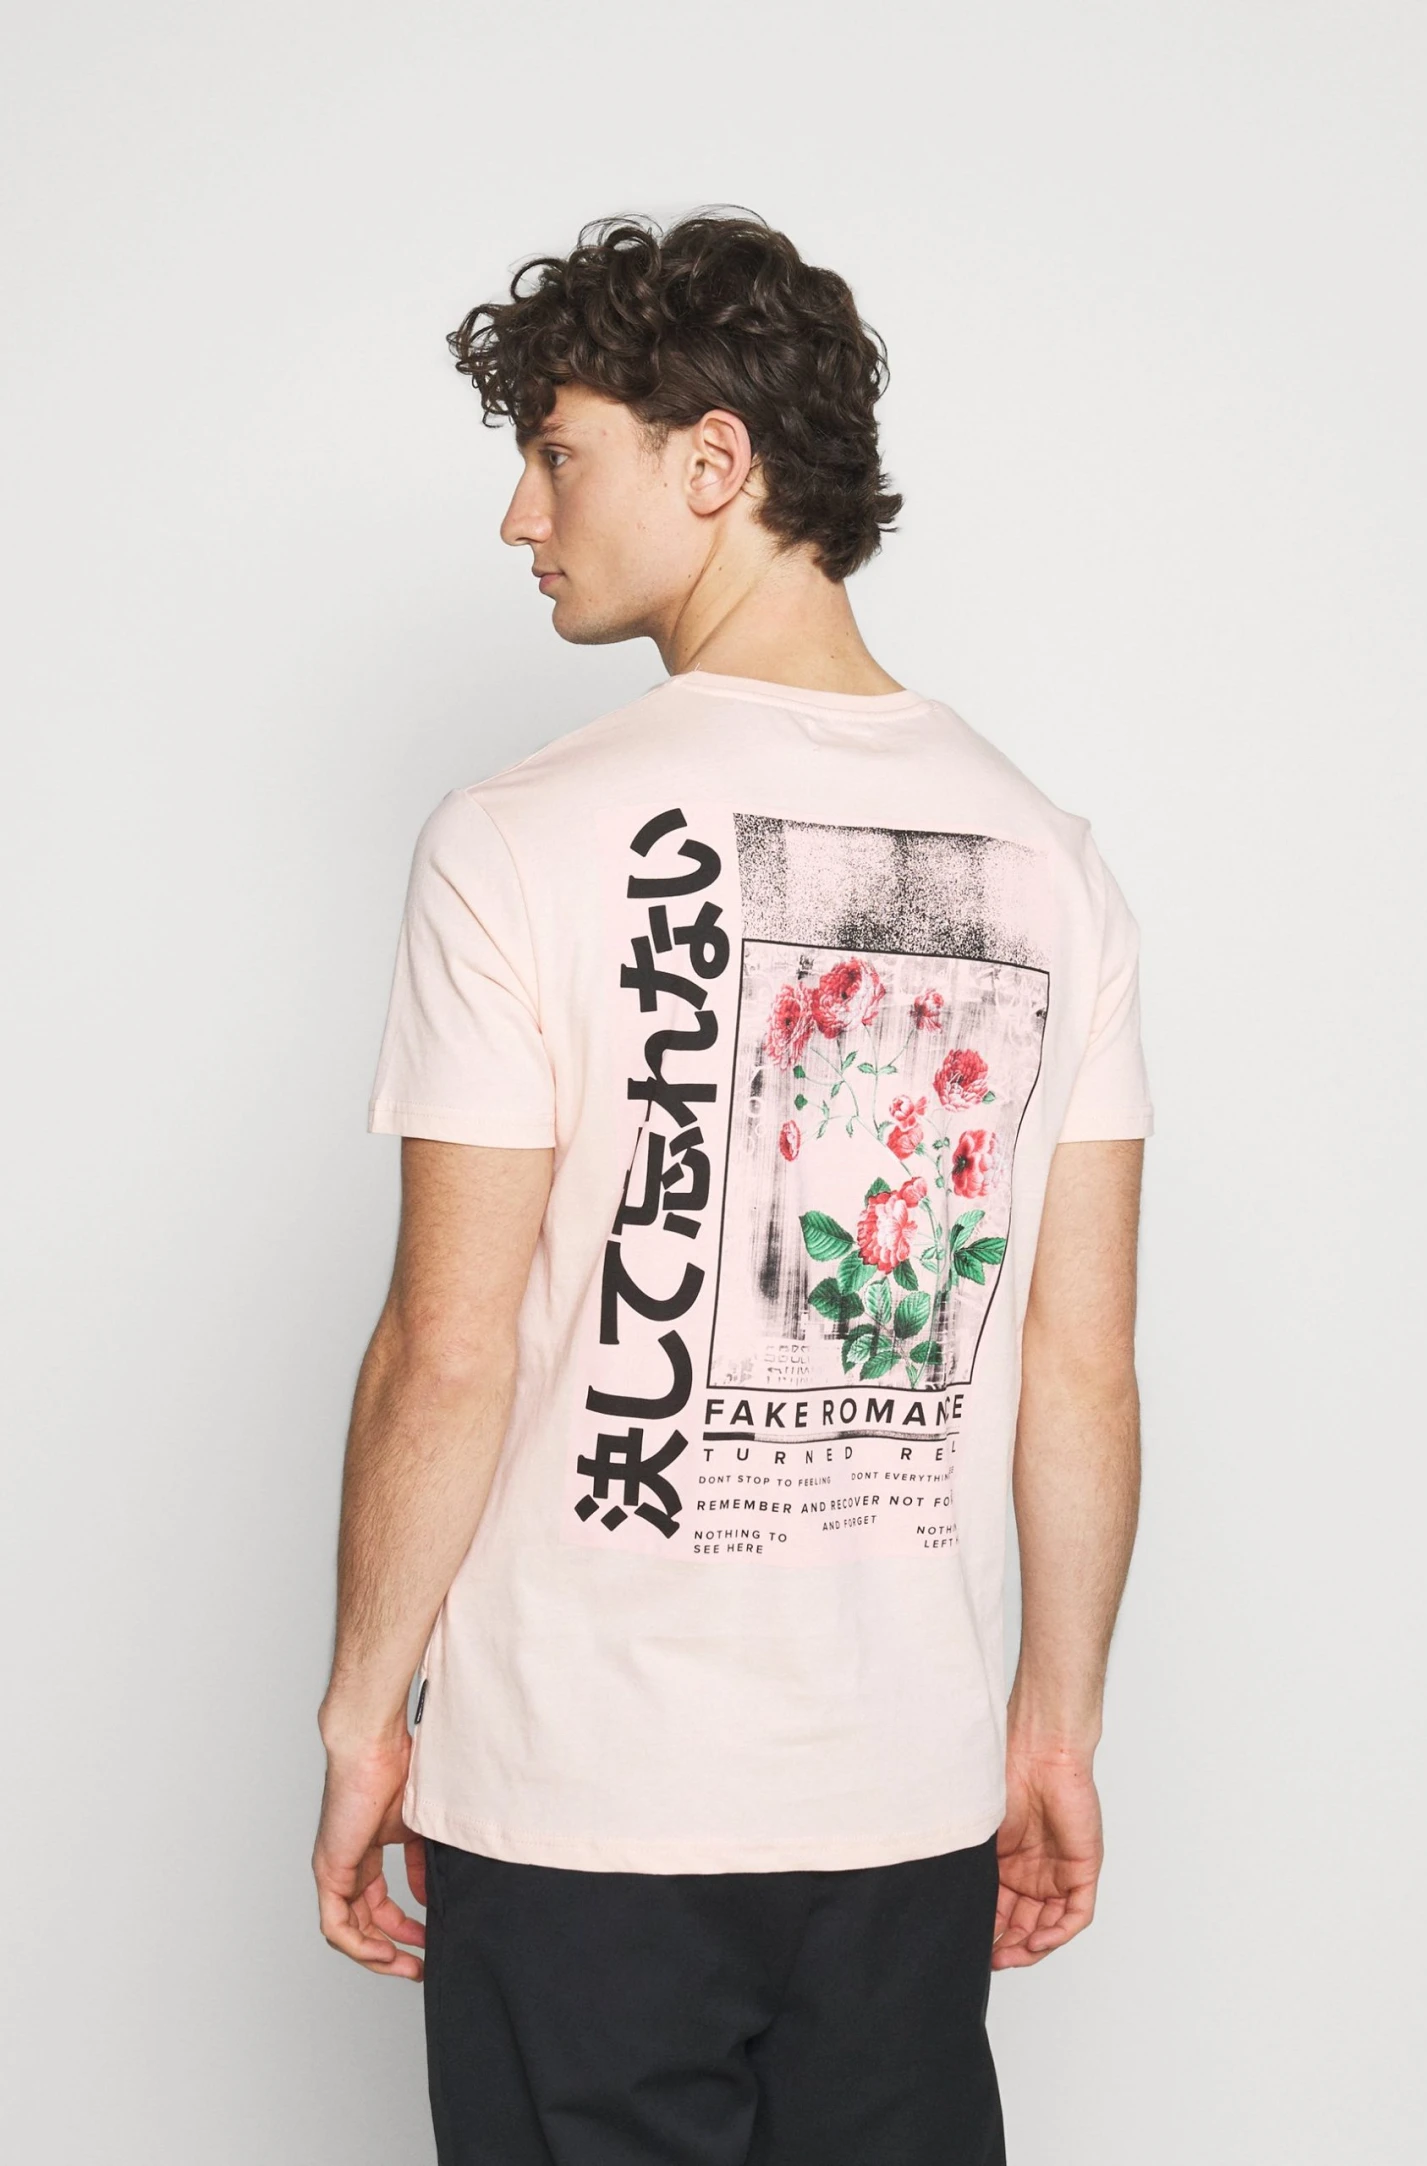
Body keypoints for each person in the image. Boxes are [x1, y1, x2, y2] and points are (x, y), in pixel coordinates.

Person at [313, 211, 1151, 2166]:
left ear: (715, 462)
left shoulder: (520, 838)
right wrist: (1054, 1727)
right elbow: (1081, 1366)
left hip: (582, 1803)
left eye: (558, 452)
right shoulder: (1050, 857)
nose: (521, 516)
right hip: (904, 1800)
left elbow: (449, 1350)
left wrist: (363, 1716)